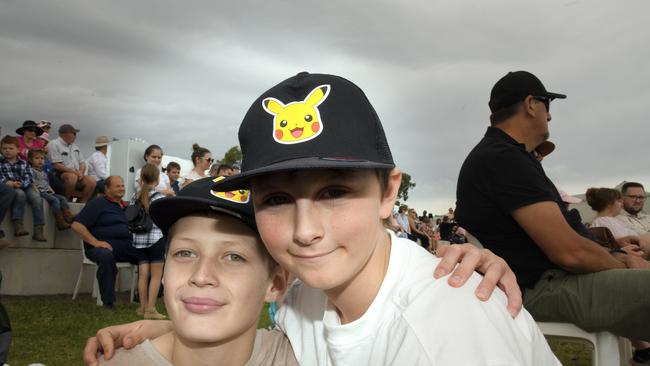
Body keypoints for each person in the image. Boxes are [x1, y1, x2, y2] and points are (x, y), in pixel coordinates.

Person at [85, 72, 558, 366]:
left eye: (334, 192)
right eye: (276, 200)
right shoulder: (310, 292)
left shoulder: (446, 334)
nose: (305, 230)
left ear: (388, 192)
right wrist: (166, 330)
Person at [455, 70, 650, 363]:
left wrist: (618, 256)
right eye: (548, 106)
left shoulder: (504, 156)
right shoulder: (503, 159)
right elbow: (569, 253)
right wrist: (622, 263)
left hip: (546, 280)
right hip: (544, 286)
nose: (550, 117)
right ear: (531, 104)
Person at [99, 177, 297, 365]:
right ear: (165, 270)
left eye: (234, 257)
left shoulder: (306, 356)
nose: (201, 276)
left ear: (275, 284)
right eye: (185, 253)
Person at [71, 176, 143, 309]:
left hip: (124, 247)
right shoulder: (97, 203)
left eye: (122, 186)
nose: (122, 188)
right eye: (117, 186)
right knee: (106, 256)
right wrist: (95, 242)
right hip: (99, 248)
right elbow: (77, 225)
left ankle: (145, 295)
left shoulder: (126, 206)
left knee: (150, 253)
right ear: (107, 188)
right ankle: (108, 302)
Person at [132, 164, 166, 320]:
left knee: (143, 275)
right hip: (155, 238)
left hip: (138, 239)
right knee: (156, 275)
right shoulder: (159, 198)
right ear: (158, 179)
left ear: (141, 178)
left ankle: (142, 307)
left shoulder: (135, 196)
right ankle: (151, 309)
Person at [0, 135, 46, 241]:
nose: (7, 151)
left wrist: (22, 184)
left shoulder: (24, 163)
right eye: (4, 148)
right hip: (10, 186)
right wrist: (8, 182)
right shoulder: (1, 163)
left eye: (11, 148)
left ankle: (39, 229)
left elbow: (28, 176)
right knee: (20, 194)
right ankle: (18, 224)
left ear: (18, 149)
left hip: (24, 185)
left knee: (36, 198)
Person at [586, 187, 649, 258]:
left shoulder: (611, 220)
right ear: (609, 204)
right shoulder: (602, 222)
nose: (622, 204)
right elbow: (619, 245)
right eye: (619, 201)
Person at [48, 124, 96, 202]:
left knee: (92, 180)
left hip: (76, 173)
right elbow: (56, 165)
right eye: (74, 134)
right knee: (72, 177)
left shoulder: (75, 146)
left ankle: (82, 204)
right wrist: (75, 173)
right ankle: (66, 202)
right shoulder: (54, 144)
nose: (75, 136)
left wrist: (80, 172)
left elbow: (82, 162)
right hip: (59, 173)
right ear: (65, 134)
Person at [28, 149, 74, 230]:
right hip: (40, 191)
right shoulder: (31, 171)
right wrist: (36, 191)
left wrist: (51, 189)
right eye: (37, 158)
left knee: (62, 198)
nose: (40, 160)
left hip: (47, 191)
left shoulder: (43, 172)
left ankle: (68, 216)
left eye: (42, 159)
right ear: (30, 160)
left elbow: (46, 182)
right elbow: (32, 182)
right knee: (54, 200)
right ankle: (59, 221)